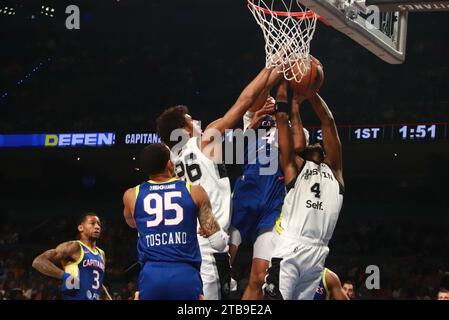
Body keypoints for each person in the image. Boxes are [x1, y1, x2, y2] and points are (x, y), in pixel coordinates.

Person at [156, 66, 283, 299]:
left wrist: (252, 128)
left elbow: (216, 165)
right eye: (190, 119)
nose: (196, 121)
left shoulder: (172, 160)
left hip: (186, 244)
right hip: (209, 245)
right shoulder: (205, 140)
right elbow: (245, 100)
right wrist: (271, 68)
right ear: (184, 128)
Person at [263, 79, 344, 300]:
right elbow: (282, 121)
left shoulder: (335, 171)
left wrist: (310, 93)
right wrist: (282, 87)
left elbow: (328, 121)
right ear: (305, 152)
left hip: (318, 253)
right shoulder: (295, 168)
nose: (317, 143)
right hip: (291, 247)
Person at [122, 143, 228, 300]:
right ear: (169, 163)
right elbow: (219, 243)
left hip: (151, 275)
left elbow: (132, 223)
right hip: (185, 275)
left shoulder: (132, 195)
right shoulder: (194, 191)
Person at [228, 96, 285, 300]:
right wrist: (274, 66)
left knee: (260, 278)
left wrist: (282, 117)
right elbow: (257, 93)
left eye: (273, 102)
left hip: (274, 201)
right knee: (221, 264)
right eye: (265, 100)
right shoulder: (251, 119)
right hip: (246, 194)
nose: (269, 103)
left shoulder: (288, 127)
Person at [32, 213, 111, 300]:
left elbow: (98, 284)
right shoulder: (74, 247)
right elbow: (38, 262)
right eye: (92, 223)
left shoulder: (101, 254)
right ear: (81, 227)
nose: (97, 226)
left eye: (99, 224)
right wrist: (65, 276)